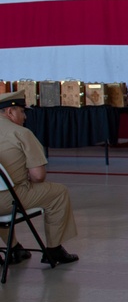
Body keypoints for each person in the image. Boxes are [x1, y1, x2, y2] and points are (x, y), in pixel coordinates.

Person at [0, 89, 79, 266]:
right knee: (58, 192)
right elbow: (38, 176)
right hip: (7, 200)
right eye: (22, 111)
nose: (25, 117)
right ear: (10, 112)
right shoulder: (21, 133)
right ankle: (54, 249)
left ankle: (14, 249)